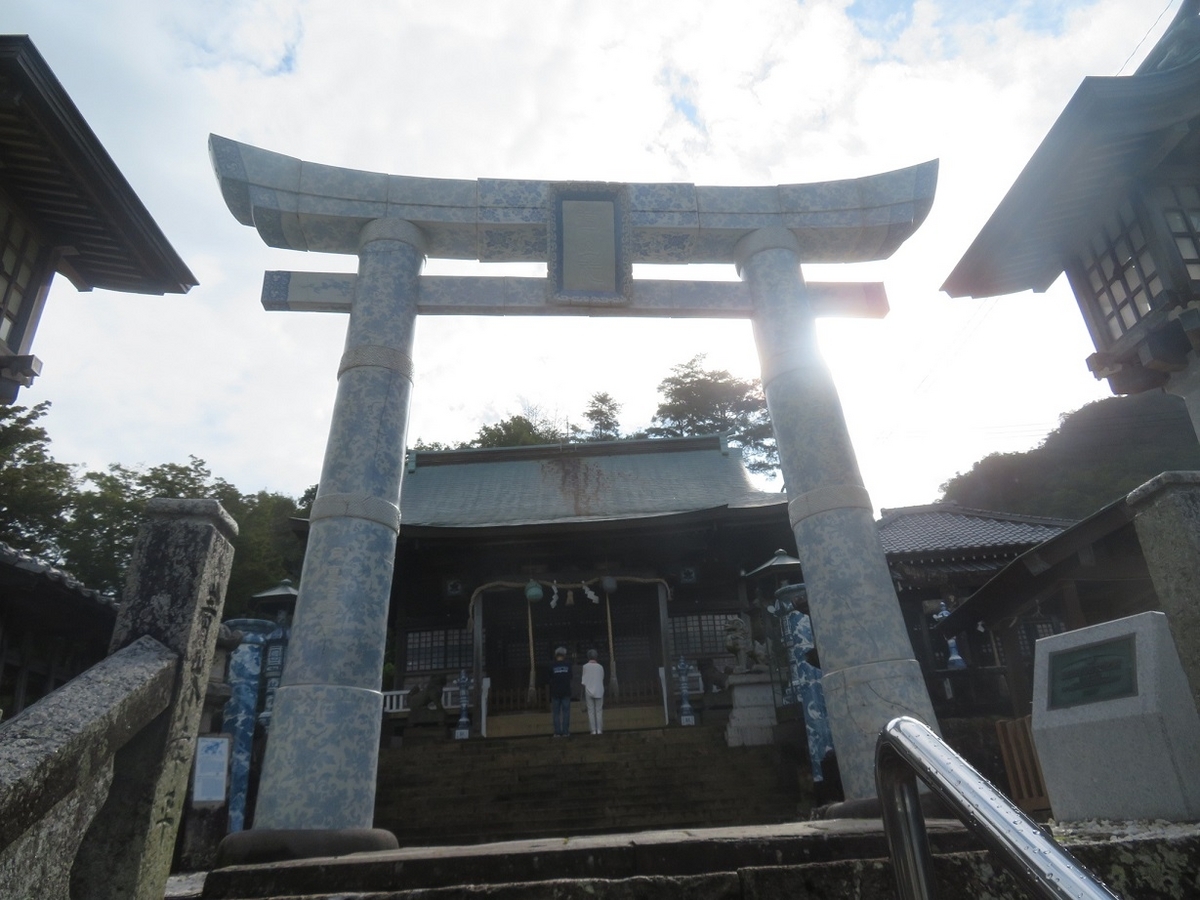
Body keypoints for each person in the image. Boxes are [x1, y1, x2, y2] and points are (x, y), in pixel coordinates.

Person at [549, 646, 572, 737]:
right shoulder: (568, 665)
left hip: (555, 692)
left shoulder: (552, 665)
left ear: (556, 655)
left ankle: (557, 732)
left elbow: (549, 677)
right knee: (566, 712)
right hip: (566, 691)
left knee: (556, 713)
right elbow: (571, 676)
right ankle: (565, 732)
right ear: (564, 655)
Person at [581, 649, 605, 735]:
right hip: (599, 690)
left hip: (588, 690)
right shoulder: (600, 667)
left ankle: (593, 730)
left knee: (590, 711)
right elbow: (602, 677)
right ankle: (599, 729)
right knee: (599, 710)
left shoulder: (585, 667)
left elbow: (583, 680)